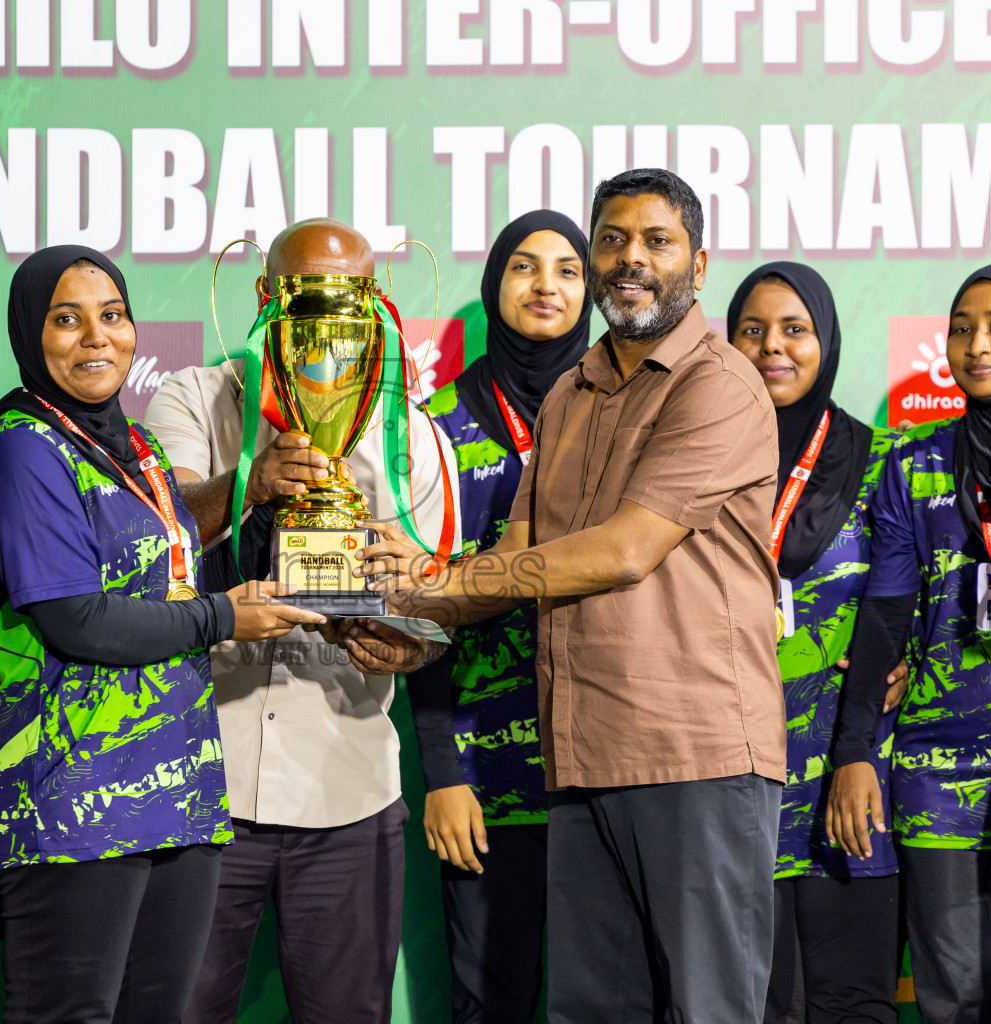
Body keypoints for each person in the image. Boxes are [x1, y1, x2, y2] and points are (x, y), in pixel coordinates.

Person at [361, 168, 784, 1024]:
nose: (631, 260)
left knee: (708, 1010)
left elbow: (625, 551)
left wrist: (446, 581)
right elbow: (520, 554)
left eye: (656, 242)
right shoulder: (572, 391)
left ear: (698, 266)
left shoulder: (720, 383)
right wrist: (416, 607)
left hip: (695, 756)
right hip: (583, 756)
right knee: (594, 1011)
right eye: (614, 240)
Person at [0, 244, 321, 1024]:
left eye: (113, 315)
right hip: (70, 799)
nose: (97, 337)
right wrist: (230, 615)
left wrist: (253, 487)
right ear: (32, 333)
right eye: (67, 319)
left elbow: (170, 542)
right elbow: (75, 619)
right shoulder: (20, 451)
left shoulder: (137, 448)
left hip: (179, 788)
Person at [144, 217, 457, 1024]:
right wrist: (248, 481)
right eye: (305, 295)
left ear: (376, 306)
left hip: (346, 787)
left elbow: (430, 602)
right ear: (264, 297)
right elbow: (156, 532)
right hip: (204, 787)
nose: (328, 321)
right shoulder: (195, 395)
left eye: (350, 298)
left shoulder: (409, 434)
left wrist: (403, 643)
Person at [828, 262, 991, 1024]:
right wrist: (856, 747)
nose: (976, 345)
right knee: (960, 999)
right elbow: (886, 615)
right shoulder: (913, 463)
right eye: (961, 327)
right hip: (940, 765)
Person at [405, 210, 590, 1024]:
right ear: (493, 288)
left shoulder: (623, 417)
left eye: (567, 270)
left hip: (609, 764)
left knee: (610, 997)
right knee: (494, 1000)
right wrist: (444, 770)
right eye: (524, 266)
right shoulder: (436, 428)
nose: (546, 285)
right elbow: (422, 603)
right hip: (487, 771)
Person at [724, 263, 903, 1024]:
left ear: (825, 341)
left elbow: (903, 605)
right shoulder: (694, 465)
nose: (774, 348)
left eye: (795, 329)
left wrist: (892, 686)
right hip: (729, 779)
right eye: (753, 329)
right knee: (756, 1003)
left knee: (853, 1000)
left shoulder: (880, 460)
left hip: (846, 767)